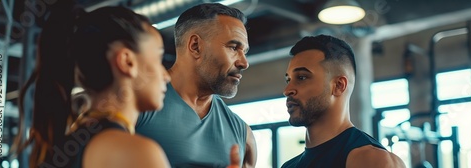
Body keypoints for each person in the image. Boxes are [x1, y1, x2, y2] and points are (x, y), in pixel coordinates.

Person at [11, 1, 173, 167]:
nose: (166, 75)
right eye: (159, 59)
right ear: (127, 62)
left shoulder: (68, 146)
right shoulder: (136, 152)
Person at [135, 3, 257, 168]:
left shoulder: (243, 135)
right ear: (195, 46)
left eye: (245, 51)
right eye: (233, 47)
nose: (244, 63)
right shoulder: (136, 106)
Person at [281, 35, 406, 168]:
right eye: (288, 80)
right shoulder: (288, 166)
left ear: (338, 86)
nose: (287, 90)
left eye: (301, 77)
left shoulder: (371, 160)